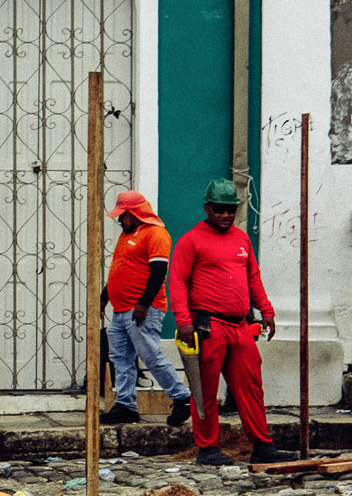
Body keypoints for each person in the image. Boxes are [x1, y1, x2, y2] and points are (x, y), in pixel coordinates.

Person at [168, 178, 279, 466]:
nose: (226, 215)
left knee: (251, 386)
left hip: (240, 326)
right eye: (220, 209)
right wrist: (183, 320)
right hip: (208, 326)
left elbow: (253, 277)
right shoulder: (190, 240)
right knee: (204, 388)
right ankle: (207, 448)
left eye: (231, 209)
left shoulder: (242, 239)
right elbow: (177, 282)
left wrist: (266, 310)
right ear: (207, 208)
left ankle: (262, 444)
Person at [100, 190, 191, 427]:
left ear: (134, 213)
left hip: (142, 310)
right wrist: (104, 297)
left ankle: (181, 397)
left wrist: (143, 303)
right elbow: (119, 268)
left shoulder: (156, 234)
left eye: (123, 215)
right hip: (121, 310)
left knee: (150, 354)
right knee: (120, 358)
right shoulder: (126, 235)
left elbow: (159, 272)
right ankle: (125, 405)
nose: (120, 220)